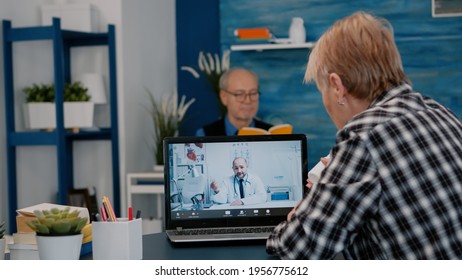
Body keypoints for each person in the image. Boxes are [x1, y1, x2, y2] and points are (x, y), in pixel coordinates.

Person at [266, 11, 462, 259]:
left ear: (337, 86)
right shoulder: (441, 113)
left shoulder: (363, 137)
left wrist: (305, 209)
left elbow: (297, 249)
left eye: (322, 90)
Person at [195, 67, 273, 136]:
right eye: (239, 94)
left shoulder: (272, 134)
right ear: (224, 97)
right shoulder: (205, 135)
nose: (248, 100)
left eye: (253, 93)